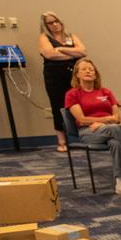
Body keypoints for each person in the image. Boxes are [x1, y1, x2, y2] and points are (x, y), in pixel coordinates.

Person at [64, 59, 121, 196]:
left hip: (109, 130)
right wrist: (106, 120)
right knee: (115, 129)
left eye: (91, 69)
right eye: (84, 69)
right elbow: (82, 120)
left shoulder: (106, 92)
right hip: (88, 132)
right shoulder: (72, 94)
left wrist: (103, 122)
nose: (88, 71)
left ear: (96, 74)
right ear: (77, 75)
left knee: (116, 142)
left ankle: (120, 183)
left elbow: (117, 118)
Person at [38, 11, 86, 152]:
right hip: (54, 76)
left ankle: (85, 137)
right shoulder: (44, 37)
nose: (55, 24)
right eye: (50, 22)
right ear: (45, 25)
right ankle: (62, 141)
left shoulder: (71, 36)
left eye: (56, 21)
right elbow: (49, 54)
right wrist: (72, 54)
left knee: (80, 103)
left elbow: (83, 51)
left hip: (74, 75)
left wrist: (61, 49)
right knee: (58, 106)